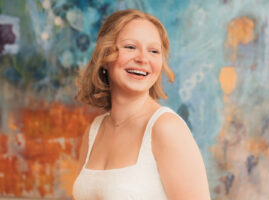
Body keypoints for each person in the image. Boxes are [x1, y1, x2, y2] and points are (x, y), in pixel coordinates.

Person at [72, 9, 211, 200]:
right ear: (105, 56)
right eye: (130, 47)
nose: (143, 59)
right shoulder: (94, 131)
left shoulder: (166, 128)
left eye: (154, 51)